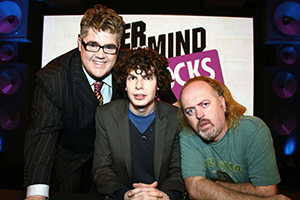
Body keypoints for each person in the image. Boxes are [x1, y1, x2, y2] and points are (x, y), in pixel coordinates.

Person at [23, 4, 177, 200]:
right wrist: (36, 194)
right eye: (92, 45)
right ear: (80, 43)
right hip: (73, 161)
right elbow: (42, 136)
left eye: (109, 47)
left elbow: (158, 83)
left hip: (118, 160)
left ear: (118, 48)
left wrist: (175, 104)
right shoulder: (52, 79)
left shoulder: (130, 65)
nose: (101, 55)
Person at [92, 48, 185, 200]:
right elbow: (101, 170)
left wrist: (165, 196)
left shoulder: (174, 117)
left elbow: (178, 170)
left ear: (159, 84)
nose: (139, 86)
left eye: (148, 78)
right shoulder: (106, 115)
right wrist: (124, 195)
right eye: (132, 78)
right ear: (125, 84)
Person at [178, 76, 291, 200]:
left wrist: (215, 185)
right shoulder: (188, 135)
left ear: (222, 103)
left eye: (205, 104)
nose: (199, 115)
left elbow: (267, 191)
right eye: (190, 111)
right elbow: (195, 189)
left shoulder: (253, 130)